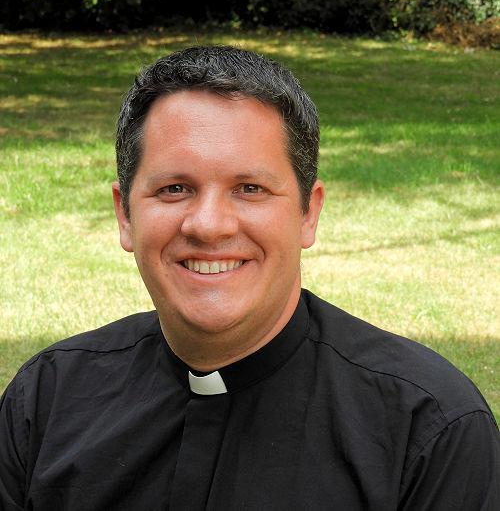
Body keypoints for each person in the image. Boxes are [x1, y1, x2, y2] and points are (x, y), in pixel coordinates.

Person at [0, 45, 498, 511]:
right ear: (125, 215)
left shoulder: (429, 431)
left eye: (250, 189)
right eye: (175, 188)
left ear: (308, 213)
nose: (209, 225)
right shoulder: (44, 401)